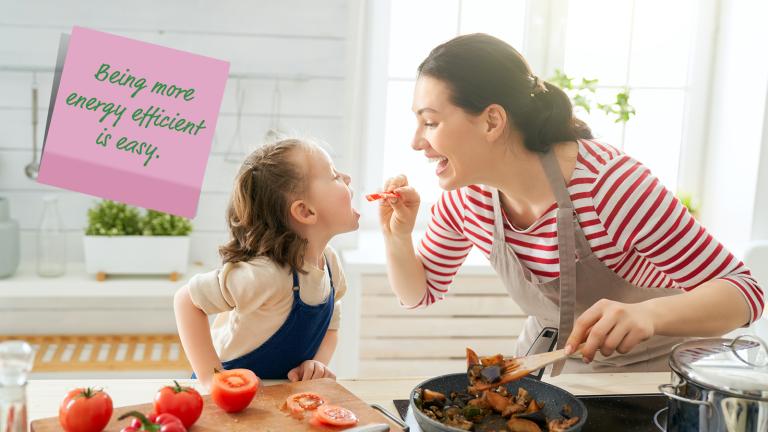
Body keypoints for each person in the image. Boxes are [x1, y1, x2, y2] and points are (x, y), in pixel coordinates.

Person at [378, 34, 764, 373]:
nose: (416, 142)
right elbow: (419, 293)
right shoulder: (467, 200)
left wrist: (649, 314)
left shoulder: (610, 187)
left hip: (651, 375)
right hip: (551, 367)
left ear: (492, 121)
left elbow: (746, 293)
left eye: (430, 122)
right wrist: (398, 237)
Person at [174, 137, 359, 388]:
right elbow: (186, 300)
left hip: (277, 394)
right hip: (226, 396)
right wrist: (211, 378)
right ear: (306, 212)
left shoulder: (329, 263)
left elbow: (331, 327)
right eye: (335, 176)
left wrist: (317, 364)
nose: (347, 178)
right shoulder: (267, 275)